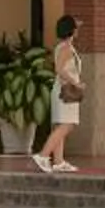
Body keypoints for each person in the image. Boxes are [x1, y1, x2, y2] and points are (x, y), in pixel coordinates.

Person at [36, 15, 81, 173]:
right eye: (76, 26)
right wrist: (76, 83)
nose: (78, 29)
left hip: (62, 90)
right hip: (65, 90)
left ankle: (58, 161)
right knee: (67, 124)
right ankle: (43, 155)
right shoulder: (66, 48)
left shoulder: (63, 46)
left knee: (61, 124)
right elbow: (59, 70)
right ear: (72, 30)